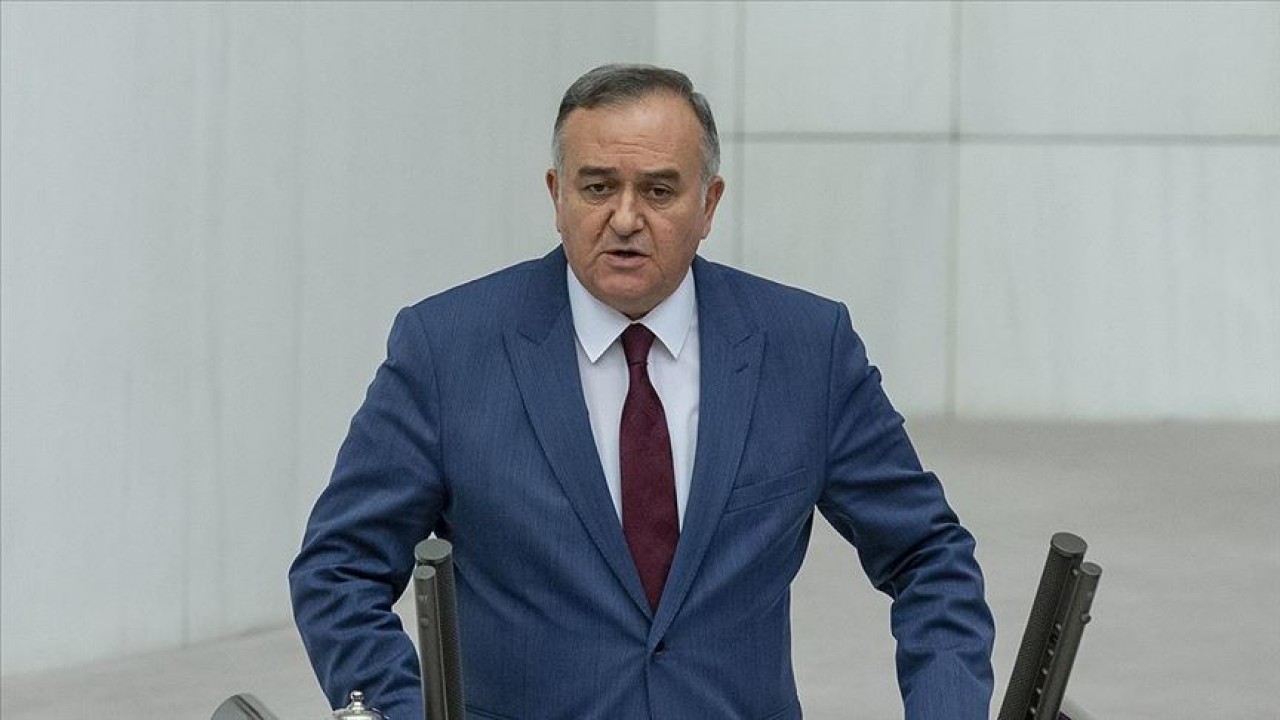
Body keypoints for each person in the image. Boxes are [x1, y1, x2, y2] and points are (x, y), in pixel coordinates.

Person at [290, 64, 994, 720]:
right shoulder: (446, 350)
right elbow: (339, 570)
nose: (625, 219)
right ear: (556, 195)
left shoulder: (807, 348)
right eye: (598, 188)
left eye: (658, 191)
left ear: (709, 203)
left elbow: (928, 557)